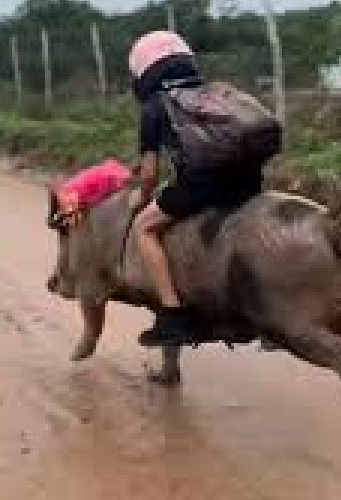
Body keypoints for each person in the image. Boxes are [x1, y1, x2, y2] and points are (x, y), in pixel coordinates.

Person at [130, 32, 265, 347]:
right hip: (249, 183)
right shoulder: (216, 93)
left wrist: (142, 198)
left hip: (203, 186)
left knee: (144, 228)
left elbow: (149, 174)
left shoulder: (154, 106)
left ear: (145, 72)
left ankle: (172, 315)